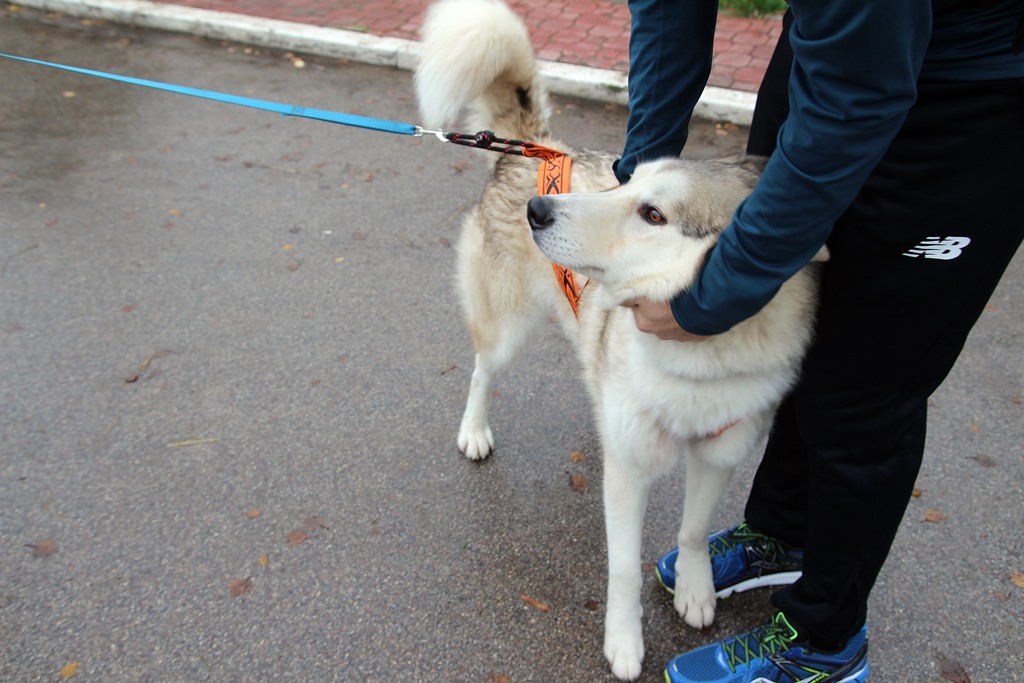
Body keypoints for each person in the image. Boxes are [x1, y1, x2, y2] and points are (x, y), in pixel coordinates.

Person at [612, 1, 1024, 681]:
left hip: (970, 95)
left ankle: (825, 642)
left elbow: (860, 102)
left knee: (862, 391)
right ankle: (786, 531)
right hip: (829, 53)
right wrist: (639, 180)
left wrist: (704, 301)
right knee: (796, 334)